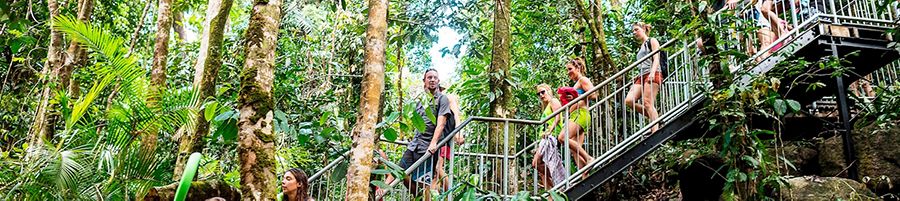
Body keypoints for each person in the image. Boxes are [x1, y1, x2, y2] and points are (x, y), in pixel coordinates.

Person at [379, 68, 456, 201]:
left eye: (435, 78)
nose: (432, 80)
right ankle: (380, 193)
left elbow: (441, 123)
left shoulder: (442, 99)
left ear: (438, 81)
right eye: (429, 77)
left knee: (425, 182)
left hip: (428, 148)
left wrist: (433, 143)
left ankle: (424, 198)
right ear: (424, 81)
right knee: (400, 172)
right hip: (414, 145)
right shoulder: (421, 101)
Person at [625, 22, 663, 134]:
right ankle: (655, 119)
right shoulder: (641, 46)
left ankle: (654, 130)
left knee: (647, 103)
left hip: (653, 72)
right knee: (629, 101)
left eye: (636, 30)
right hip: (641, 75)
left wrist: (652, 72)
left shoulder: (652, 40)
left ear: (643, 29)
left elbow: (656, 58)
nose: (634, 33)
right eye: (633, 31)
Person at [532, 84, 568, 190]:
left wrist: (550, 131)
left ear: (548, 90)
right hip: (544, 138)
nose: (541, 95)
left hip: (551, 136)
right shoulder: (546, 106)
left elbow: (558, 116)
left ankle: (561, 183)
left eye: (543, 92)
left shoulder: (554, 101)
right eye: (538, 94)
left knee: (536, 163)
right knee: (540, 168)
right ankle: (554, 191)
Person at [557, 86, 593, 178]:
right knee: (575, 150)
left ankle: (588, 158)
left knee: (562, 137)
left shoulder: (582, 79)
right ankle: (585, 175)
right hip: (575, 115)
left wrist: (577, 97)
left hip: (579, 113)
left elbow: (593, 94)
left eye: (570, 70)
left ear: (578, 70)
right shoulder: (576, 83)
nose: (568, 72)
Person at [433, 85, 464, 192]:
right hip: (438, 140)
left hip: (445, 139)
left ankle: (449, 194)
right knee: (434, 173)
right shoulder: (435, 101)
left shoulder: (448, 98)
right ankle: (436, 196)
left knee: (438, 168)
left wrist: (459, 134)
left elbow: (457, 115)